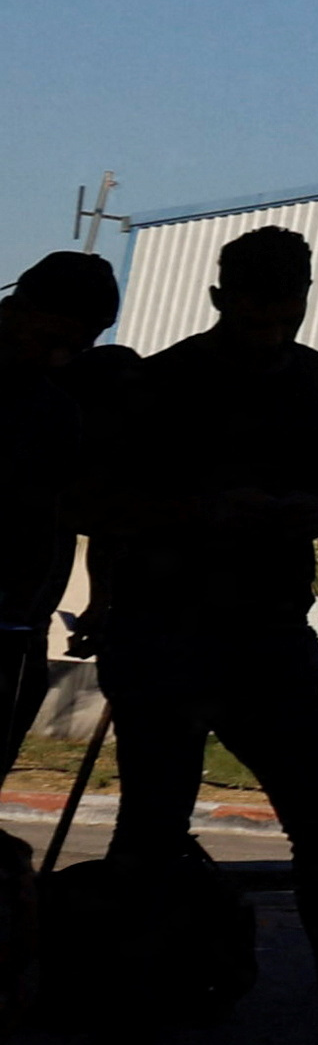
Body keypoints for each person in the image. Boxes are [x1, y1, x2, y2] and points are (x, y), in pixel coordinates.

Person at [94, 226, 318, 1045]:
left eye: (288, 305)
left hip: (267, 637)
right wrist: (191, 522)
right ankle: (125, 1036)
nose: (274, 324)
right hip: (172, 637)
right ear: (222, 300)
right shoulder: (161, 384)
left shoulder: (313, 380)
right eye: (259, 308)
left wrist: (286, 510)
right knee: (153, 836)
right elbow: (105, 505)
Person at [3, 253, 133, 739]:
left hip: (16, 629)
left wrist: (102, 603)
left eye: (78, 347)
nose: (60, 358)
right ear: (18, 308)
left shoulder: (59, 409)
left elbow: (99, 510)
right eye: (53, 340)